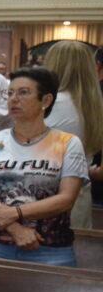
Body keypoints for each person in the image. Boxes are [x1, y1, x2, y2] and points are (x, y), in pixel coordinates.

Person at [0, 68, 88, 267]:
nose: (13, 99)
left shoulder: (67, 143)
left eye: (23, 92)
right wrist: (15, 228)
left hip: (49, 248)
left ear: (46, 101)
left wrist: (16, 212)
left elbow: (66, 199)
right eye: (10, 93)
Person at [43, 40, 103, 228]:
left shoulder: (51, 104)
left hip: (46, 195)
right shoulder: (94, 104)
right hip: (80, 194)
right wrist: (86, 167)